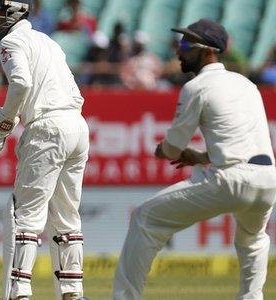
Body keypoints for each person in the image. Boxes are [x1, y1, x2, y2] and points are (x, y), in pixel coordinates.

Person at [112, 19, 276, 300]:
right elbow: (244, 144)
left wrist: (164, 150)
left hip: (230, 179)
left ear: (208, 51)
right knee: (253, 241)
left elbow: (173, 148)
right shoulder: (246, 84)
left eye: (187, 44)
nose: (179, 50)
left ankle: (124, 298)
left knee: (144, 218)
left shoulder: (197, 87)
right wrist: (200, 156)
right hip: (267, 180)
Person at [0, 1, 90, 299]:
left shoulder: (12, 42)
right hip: (77, 125)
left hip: (47, 129)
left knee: (25, 216)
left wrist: (3, 125)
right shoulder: (48, 41)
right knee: (67, 216)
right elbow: (73, 90)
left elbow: (22, 84)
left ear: (13, 13)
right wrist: (3, 121)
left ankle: (19, 292)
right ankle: (73, 292)